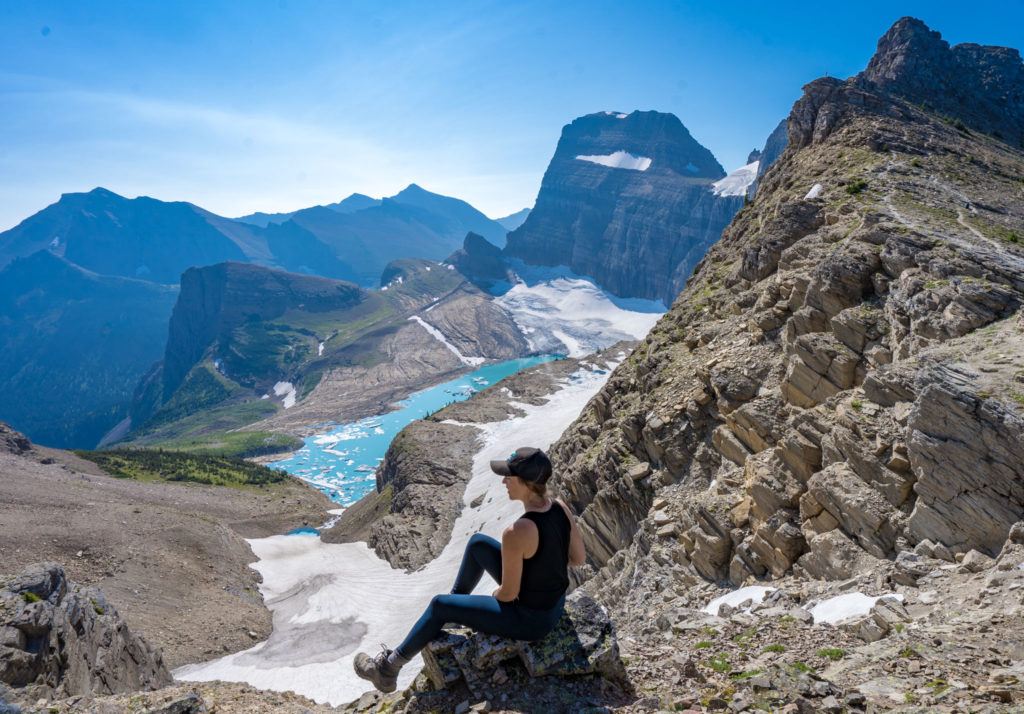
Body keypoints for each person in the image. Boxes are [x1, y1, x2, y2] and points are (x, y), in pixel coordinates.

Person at [353, 446, 586, 692]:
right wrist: (541, 570)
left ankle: (388, 669)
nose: (504, 481)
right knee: (478, 545)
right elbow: (578, 558)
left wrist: (501, 592)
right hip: (553, 604)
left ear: (526, 483)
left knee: (439, 605)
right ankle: (455, 612)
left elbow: (508, 594)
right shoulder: (559, 506)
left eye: (509, 476)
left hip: (531, 621)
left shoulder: (518, 532)